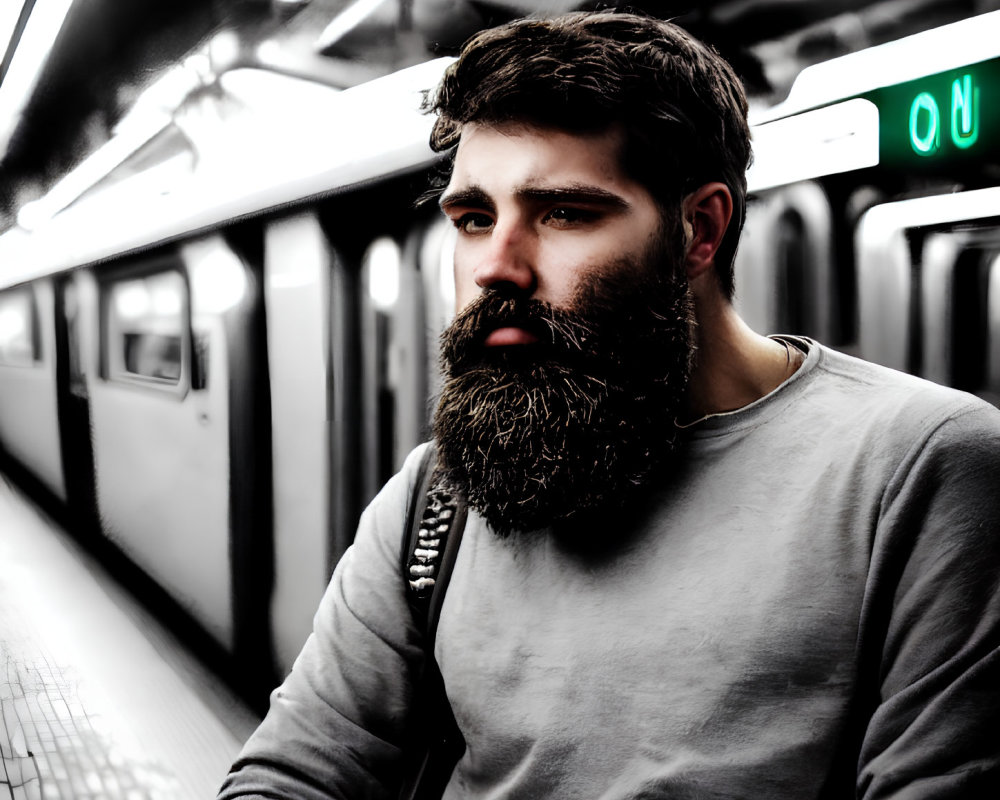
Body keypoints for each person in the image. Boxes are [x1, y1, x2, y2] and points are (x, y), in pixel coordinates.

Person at [218, 11, 1000, 799]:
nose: (497, 267)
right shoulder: (436, 501)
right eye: (474, 219)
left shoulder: (923, 469)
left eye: (563, 212)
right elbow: (297, 771)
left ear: (700, 229)